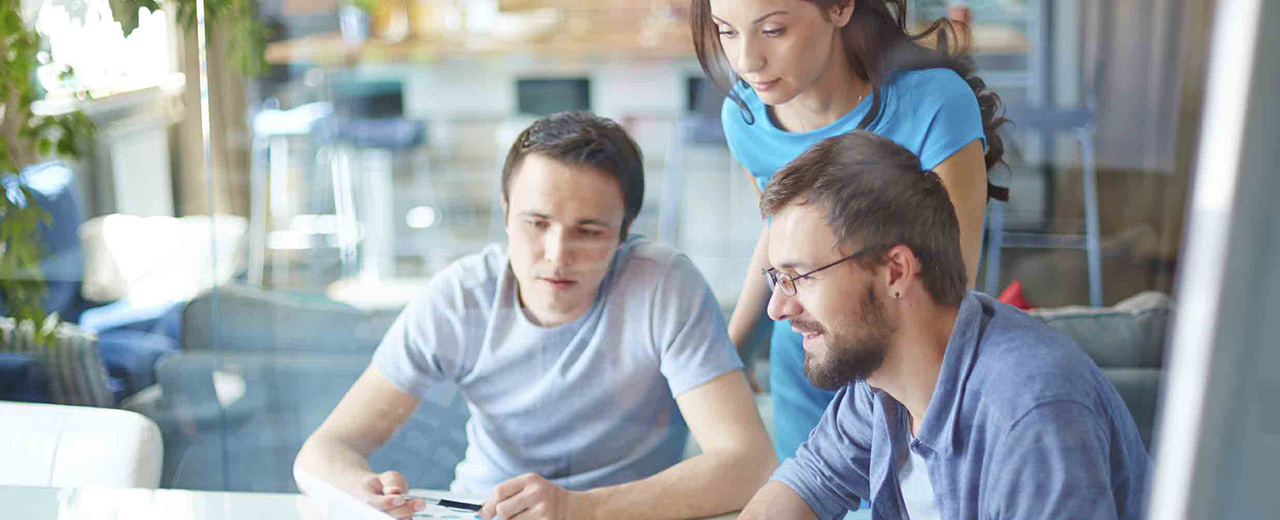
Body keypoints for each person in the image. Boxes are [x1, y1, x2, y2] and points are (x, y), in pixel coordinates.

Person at [294, 112, 777, 520]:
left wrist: (579, 509)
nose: (557, 254)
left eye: (588, 231)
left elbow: (748, 462)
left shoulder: (663, 286)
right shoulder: (459, 297)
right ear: (505, 212)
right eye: (536, 223)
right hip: (482, 509)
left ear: (625, 232)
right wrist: (361, 491)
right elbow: (322, 452)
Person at [737, 130, 1147, 519]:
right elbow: (806, 484)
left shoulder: (1031, 414)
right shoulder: (882, 383)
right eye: (776, 278)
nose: (776, 308)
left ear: (896, 272)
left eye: (800, 276)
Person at [691, 0, 1009, 461]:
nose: (746, 61)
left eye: (773, 30)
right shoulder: (745, 118)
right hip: (806, 356)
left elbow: (950, 288)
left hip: (914, 369)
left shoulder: (934, 102)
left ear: (840, 8)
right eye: (727, 32)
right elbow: (780, 245)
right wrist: (732, 355)